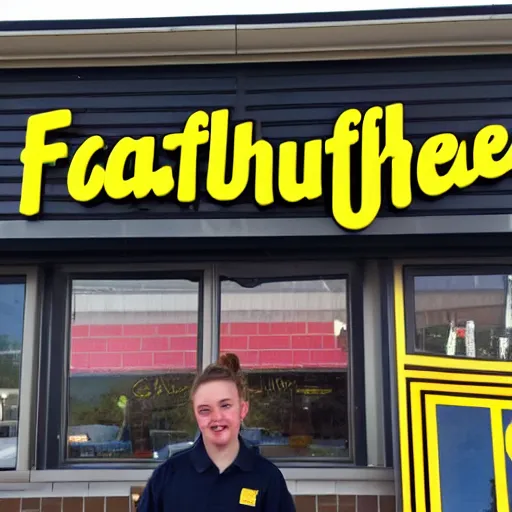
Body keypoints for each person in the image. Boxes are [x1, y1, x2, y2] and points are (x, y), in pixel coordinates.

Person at [137, 352, 296, 511]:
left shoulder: (267, 478)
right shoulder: (167, 477)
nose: (217, 417)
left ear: (243, 409)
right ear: (196, 415)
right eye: (205, 410)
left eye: (225, 405)